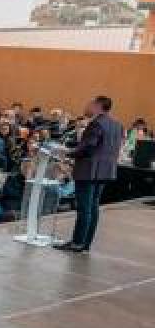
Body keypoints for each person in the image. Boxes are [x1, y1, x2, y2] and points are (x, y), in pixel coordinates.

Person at [60, 95, 124, 253]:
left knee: (84, 208)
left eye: (90, 103)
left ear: (97, 105)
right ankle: (85, 243)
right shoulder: (117, 125)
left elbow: (88, 147)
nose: (87, 106)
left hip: (89, 171)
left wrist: (68, 153)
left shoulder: (96, 123)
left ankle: (77, 242)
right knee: (93, 207)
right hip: (105, 171)